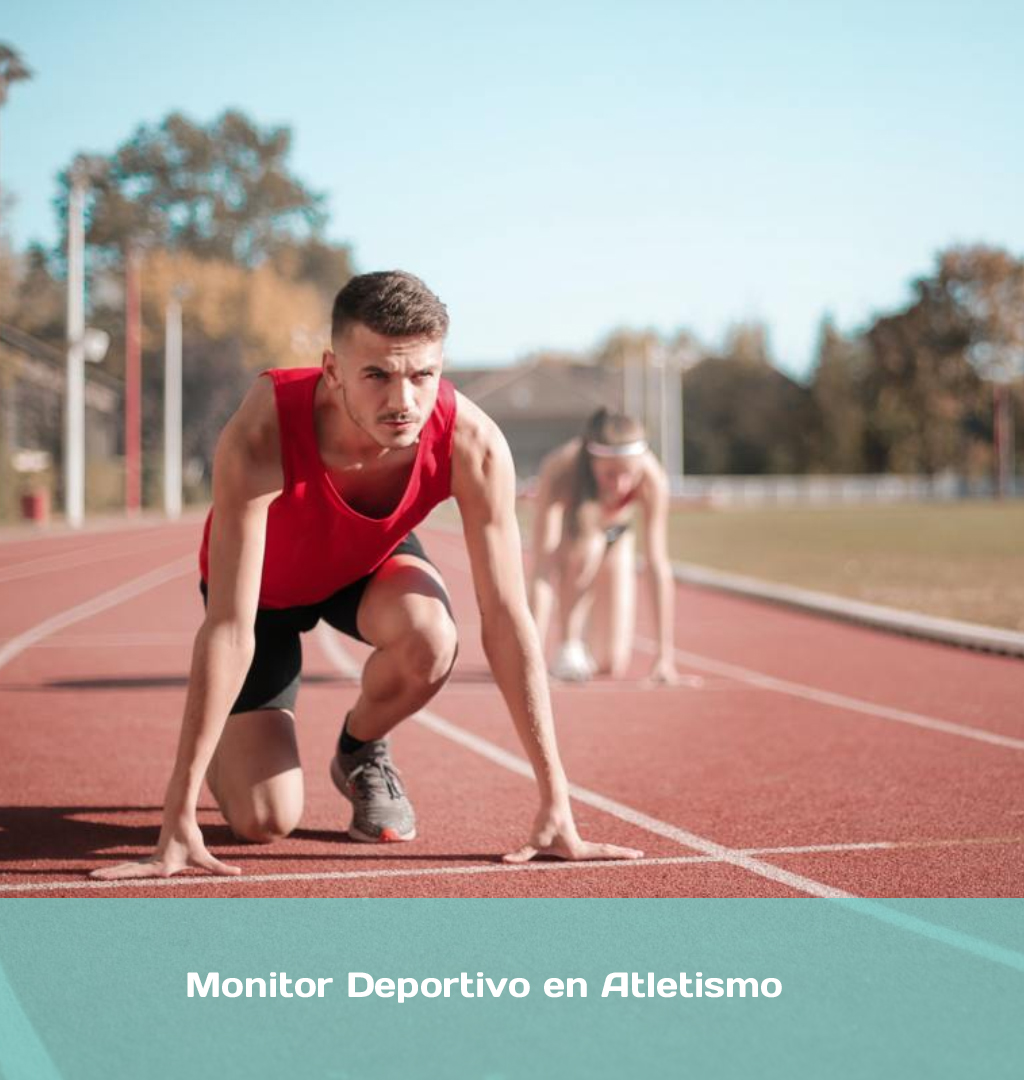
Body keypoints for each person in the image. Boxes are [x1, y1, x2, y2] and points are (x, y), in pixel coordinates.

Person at [93, 271, 642, 881]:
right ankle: (229, 737)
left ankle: (359, 750)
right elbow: (228, 626)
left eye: (421, 375)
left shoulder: (473, 444)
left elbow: (508, 619)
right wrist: (177, 815)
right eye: (376, 375)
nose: (402, 401)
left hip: (364, 567)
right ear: (333, 370)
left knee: (433, 638)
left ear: (441, 366)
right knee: (264, 821)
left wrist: (555, 802)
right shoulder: (263, 429)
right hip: (264, 596)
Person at [528, 408, 699, 685]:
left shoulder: (652, 477)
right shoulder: (561, 469)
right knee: (590, 547)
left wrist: (663, 657)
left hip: (618, 535)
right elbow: (542, 569)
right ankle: (569, 645)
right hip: (575, 538)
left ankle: (588, 647)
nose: (620, 485)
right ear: (592, 462)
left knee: (610, 663)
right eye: (609, 475)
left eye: (628, 474)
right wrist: (530, 657)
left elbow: (657, 565)